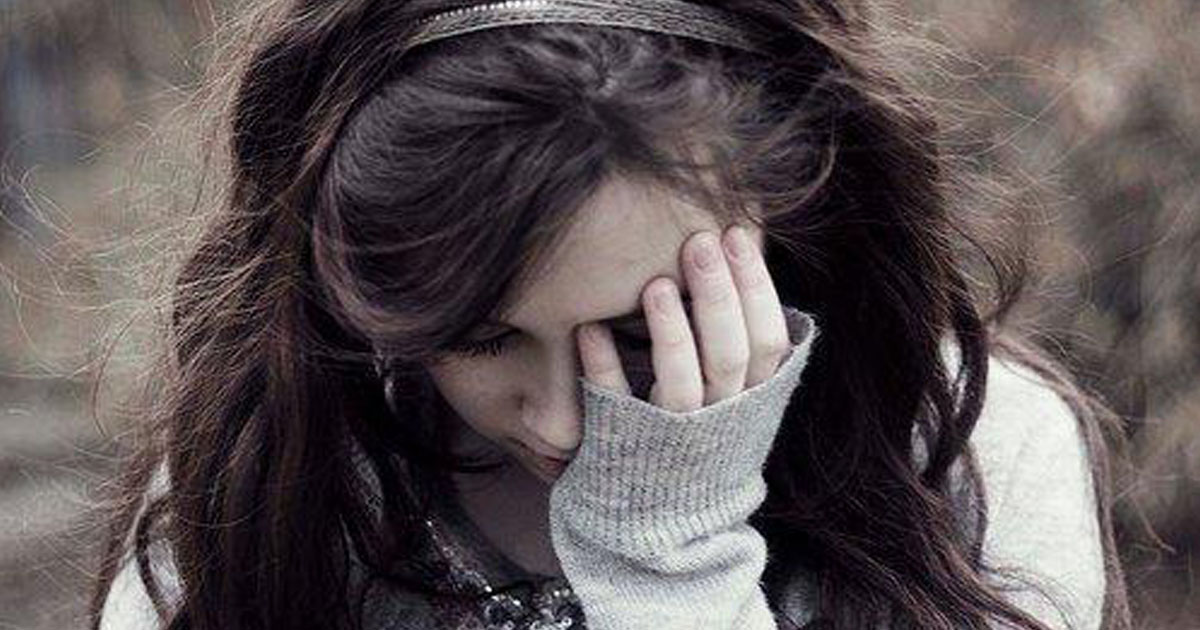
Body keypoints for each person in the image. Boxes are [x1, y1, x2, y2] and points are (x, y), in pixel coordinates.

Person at [88, 1, 1133, 629]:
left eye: (639, 335)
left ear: (790, 226)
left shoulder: (975, 451)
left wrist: (669, 556)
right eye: (477, 337)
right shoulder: (273, 470)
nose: (557, 421)